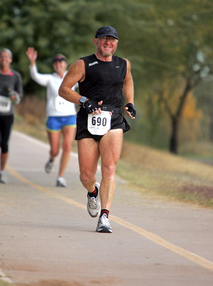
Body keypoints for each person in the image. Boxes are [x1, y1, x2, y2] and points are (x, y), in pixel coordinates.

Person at [58, 25, 136, 233]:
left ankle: (104, 216)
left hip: (113, 120)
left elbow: (127, 81)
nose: (108, 43)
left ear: (116, 43)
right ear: (96, 41)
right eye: (104, 39)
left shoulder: (123, 65)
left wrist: (130, 102)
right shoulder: (83, 64)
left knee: (109, 168)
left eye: (112, 40)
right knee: (86, 175)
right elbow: (64, 90)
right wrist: (84, 100)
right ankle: (93, 192)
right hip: (89, 119)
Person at [26, 48, 77, 187]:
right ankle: (52, 159)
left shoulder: (72, 77)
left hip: (69, 117)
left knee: (67, 147)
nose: (59, 65)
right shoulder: (50, 78)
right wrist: (32, 62)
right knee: (55, 150)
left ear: (66, 64)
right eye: (56, 63)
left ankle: (60, 177)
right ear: (54, 66)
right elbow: (36, 76)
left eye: (61, 62)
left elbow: (85, 81)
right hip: (54, 117)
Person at [0, 48, 23, 184]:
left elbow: (19, 96)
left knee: (4, 144)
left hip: (7, 114)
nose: (4, 59)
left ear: (10, 59)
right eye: (2, 57)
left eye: (6, 57)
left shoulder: (15, 76)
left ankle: (2, 171)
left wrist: (14, 96)